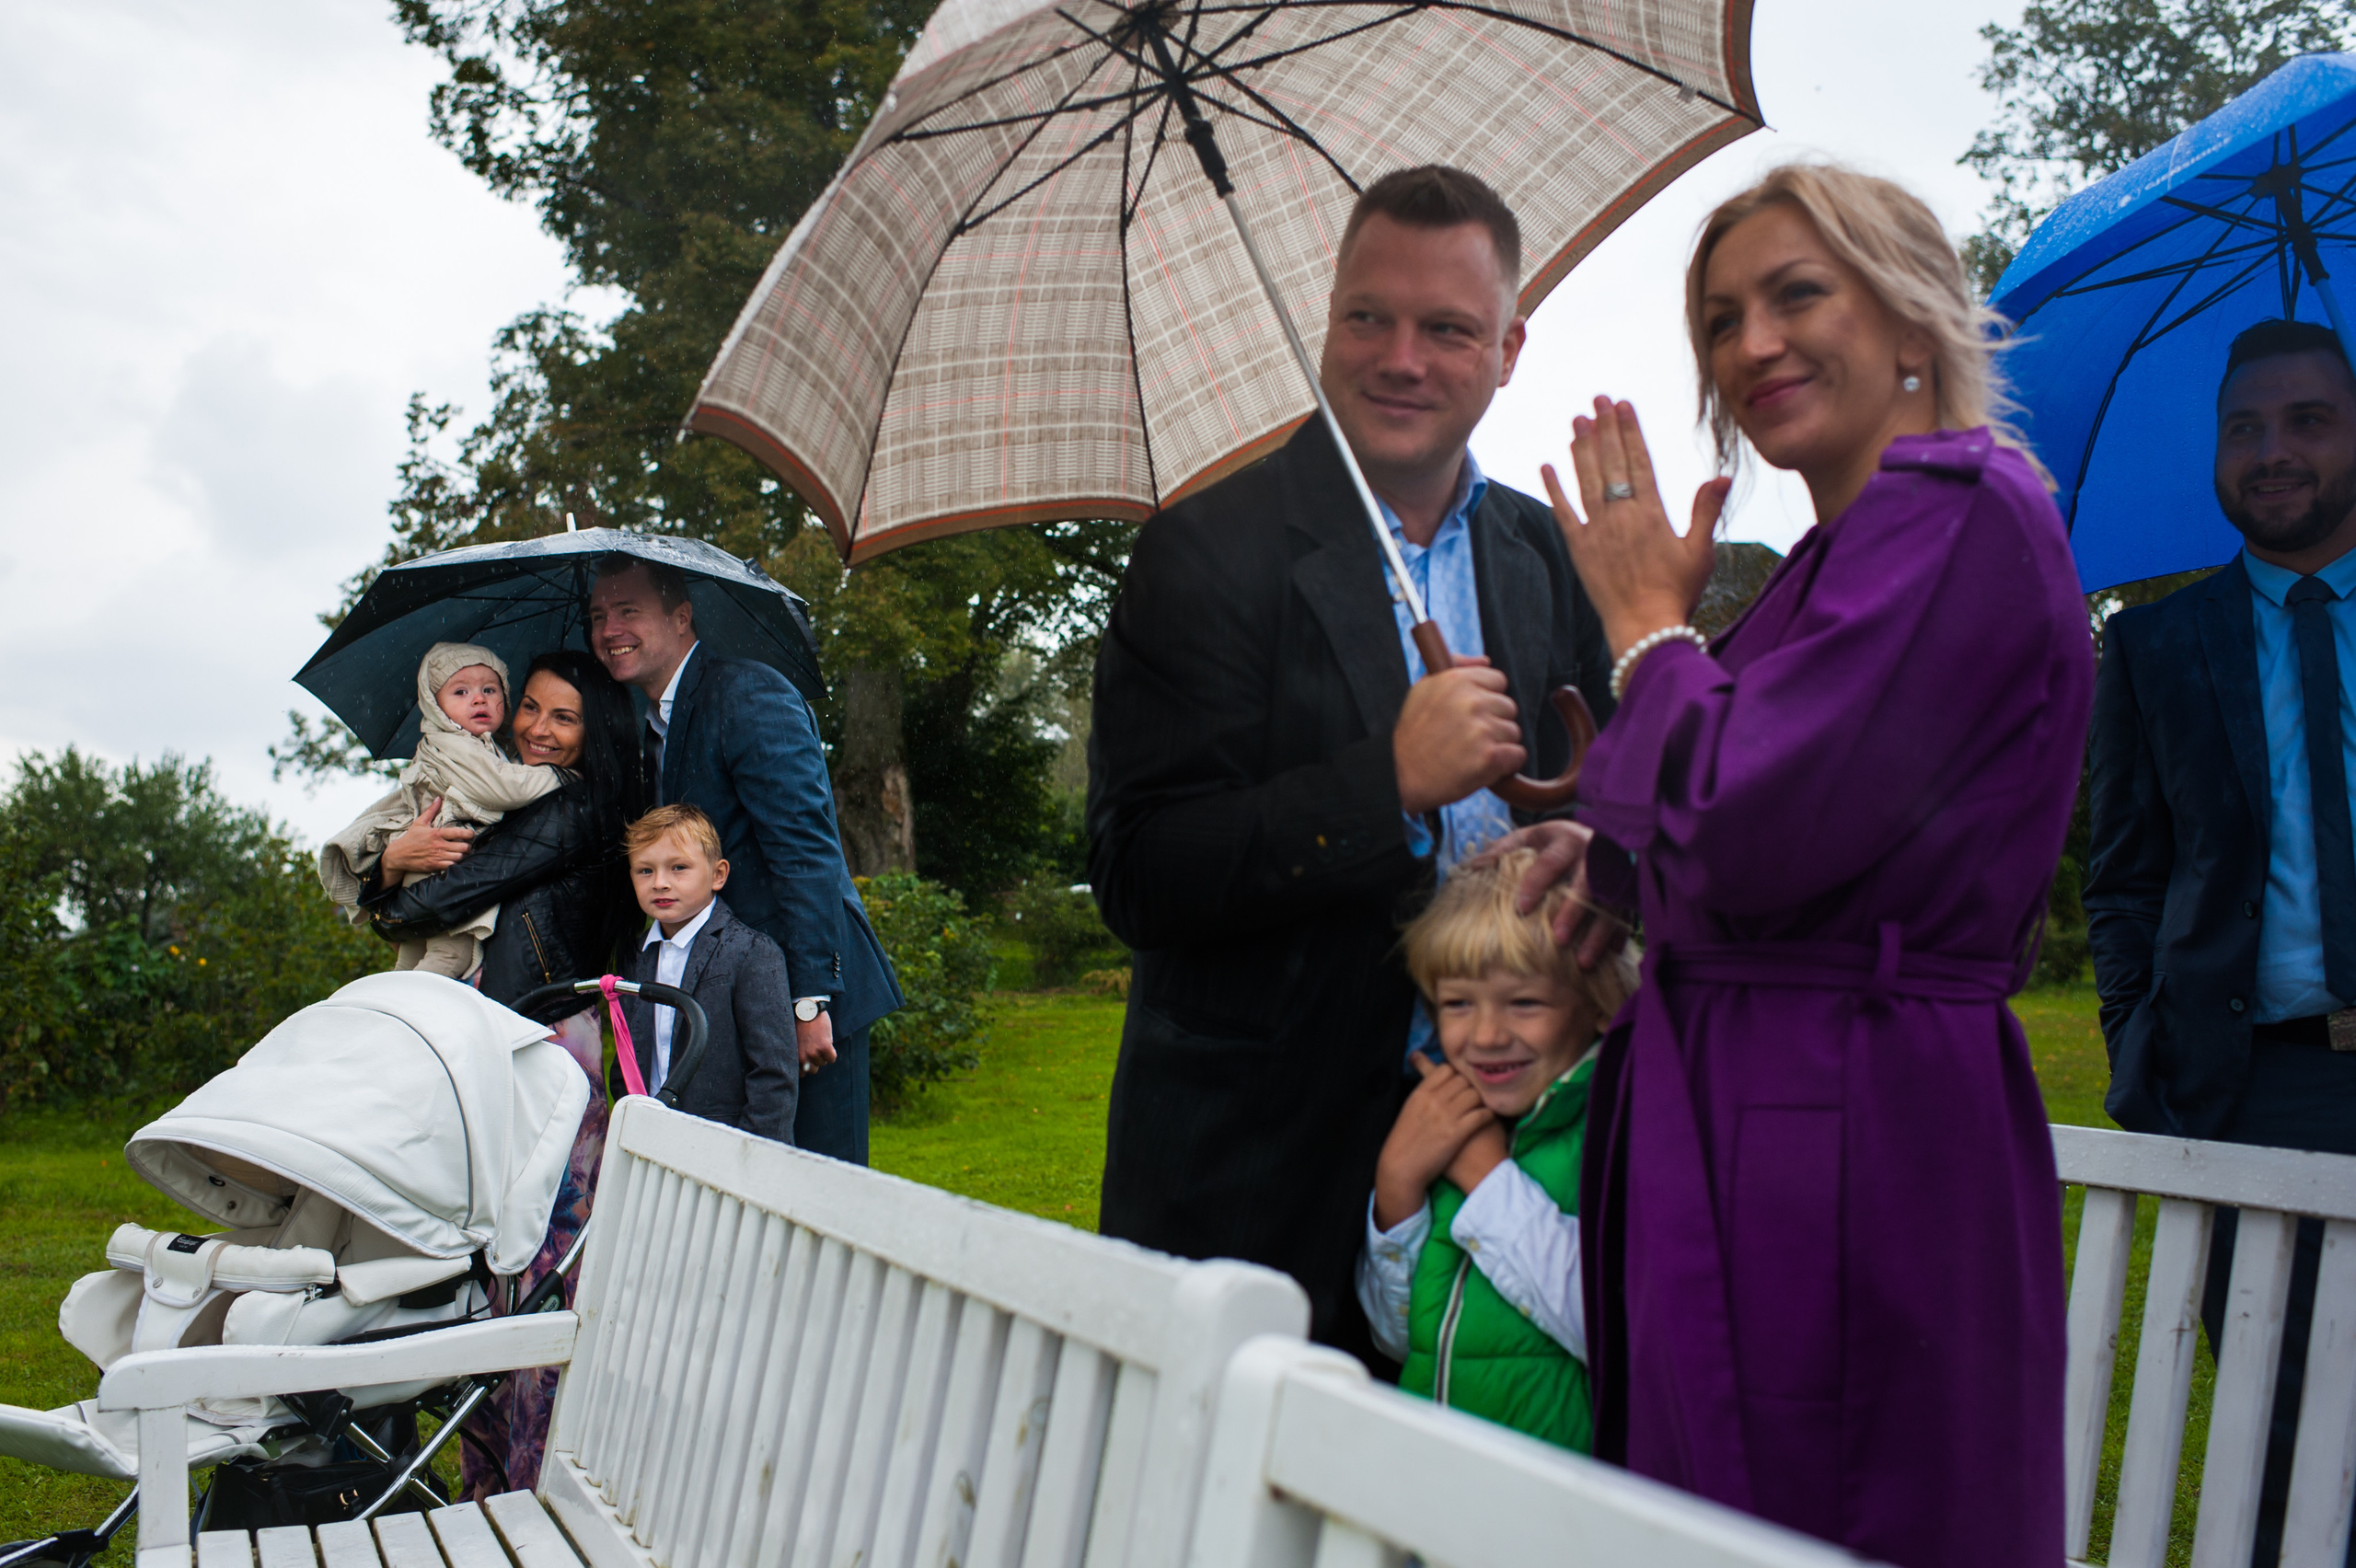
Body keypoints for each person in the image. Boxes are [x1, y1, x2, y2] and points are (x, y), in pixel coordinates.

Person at [1528, 163, 2088, 1565]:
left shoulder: (1963, 509)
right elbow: (1787, 809)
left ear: (1913, 317)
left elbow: (1757, 817)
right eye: (1722, 320)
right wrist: (1613, 863)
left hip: (1854, 1124)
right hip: (1754, 1108)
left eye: (1796, 294)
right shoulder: (1836, 558)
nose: (1754, 343)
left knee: (1835, 1506)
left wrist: (1646, 626)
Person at [1087, 166, 1614, 1362]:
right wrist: (1386, 784)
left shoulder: (1544, 553)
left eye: (1448, 329)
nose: (1402, 359)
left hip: (1516, 1163)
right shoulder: (1200, 554)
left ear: (1507, 350)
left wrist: (1593, 841)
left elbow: (1612, 798)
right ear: (1326, 320)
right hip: (1258, 1184)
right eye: (1369, 317)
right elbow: (1141, 872)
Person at [2086, 317, 2356, 1568]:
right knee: (2274, 1438)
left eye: (2307, 420)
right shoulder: (2152, 645)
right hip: (2253, 1090)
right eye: (2243, 427)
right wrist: (2138, 1045)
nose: (2271, 450)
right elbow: (2123, 877)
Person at [361, 648, 650, 1499]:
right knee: (497, 1258)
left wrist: (393, 873)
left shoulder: (572, 805)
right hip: (507, 1040)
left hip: (542, 1047)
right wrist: (397, 858)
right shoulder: (519, 801)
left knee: (540, 1260)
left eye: (564, 717)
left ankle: (535, 1481)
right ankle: (492, 1482)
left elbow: (433, 902)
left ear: (596, 733)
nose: (537, 729)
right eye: (530, 707)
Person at [587, 555, 902, 1164]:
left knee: (818, 1190)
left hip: (806, 997)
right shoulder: (651, 725)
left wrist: (809, 1001)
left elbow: (805, 852)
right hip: (730, 998)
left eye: (628, 610)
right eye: (599, 616)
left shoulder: (749, 693)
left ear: (682, 617)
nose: (610, 629)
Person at [1355, 848, 1635, 1451]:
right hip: (1433, 1482)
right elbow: (1398, 1340)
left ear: (1598, 1002)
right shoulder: (1452, 1122)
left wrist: (1487, 1178)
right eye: (1458, 1003)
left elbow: (1619, 1332)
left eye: (1524, 1003)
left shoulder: (1619, 1129)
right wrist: (1398, 1184)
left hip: (1560, 1497)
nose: (1485, 1036)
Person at [318, 642, 560, 977]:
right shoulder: (453, 742)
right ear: (435, 705)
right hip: (439, 858)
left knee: (411, 957)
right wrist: (558, 775)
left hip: (428, 864)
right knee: (451, 955)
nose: (479, 699)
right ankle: (412, 1005)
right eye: (461, 692)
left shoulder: (485, 747)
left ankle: (389, 1000)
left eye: (490, 690)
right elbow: (505, 788)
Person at [613, 803, 799, 1141]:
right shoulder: (634, 958)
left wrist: (747, 1155)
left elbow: (774, 1075)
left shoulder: (751, 952)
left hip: (723, 1144)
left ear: (718, 875)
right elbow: (626, 1058)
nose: (660, 883)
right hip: (648, 1141)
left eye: (678, 868)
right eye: (645, 871)